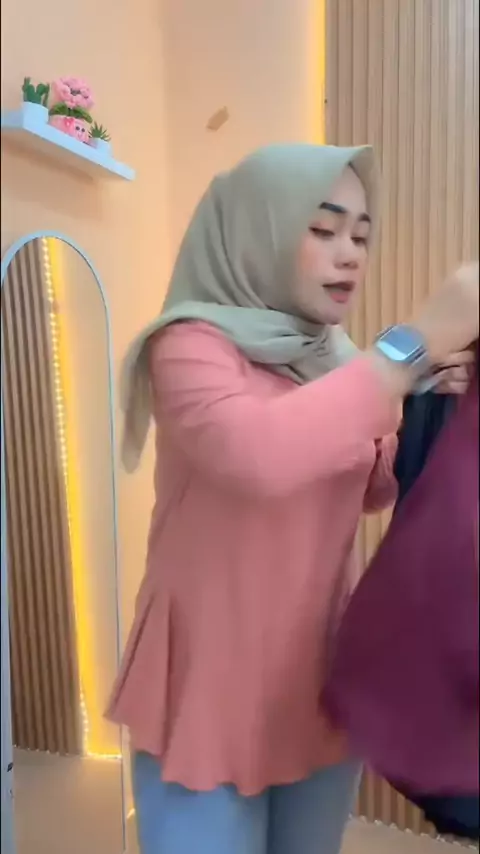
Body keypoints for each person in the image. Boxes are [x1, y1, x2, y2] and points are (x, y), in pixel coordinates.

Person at [106, 144, 479, 854]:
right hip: (207, 686)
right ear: (261, 227)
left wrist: (425, 400)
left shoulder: (337, 355)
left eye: (361, 236)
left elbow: (371, 487)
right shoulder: (189, 345)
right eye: (323, 228)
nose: (350, 255)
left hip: (314, 678)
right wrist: (409, 348)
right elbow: (261, 457)